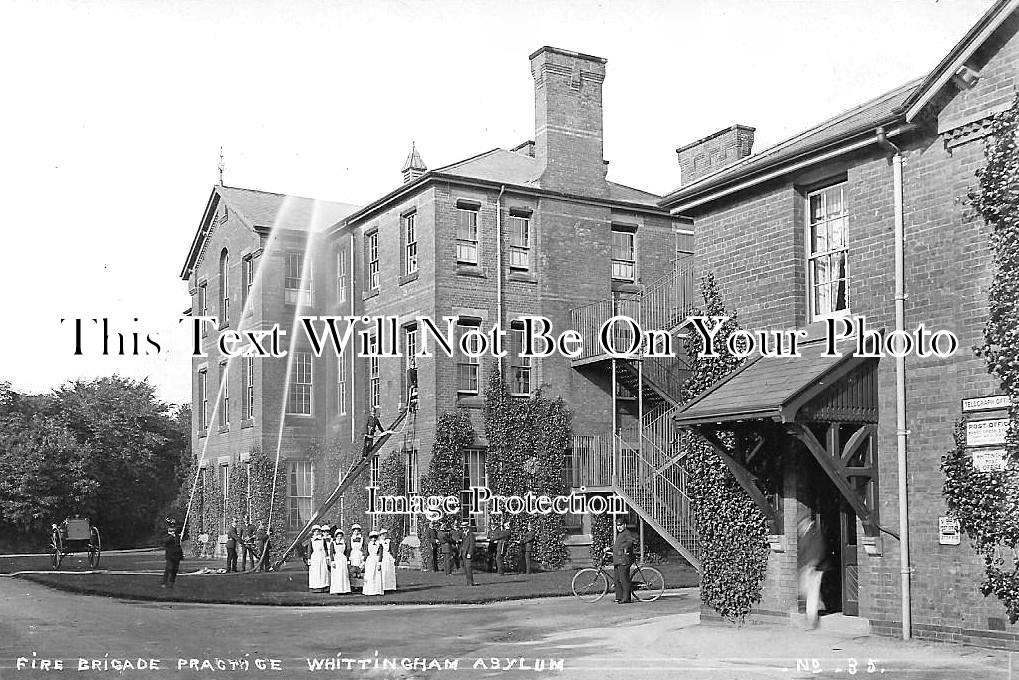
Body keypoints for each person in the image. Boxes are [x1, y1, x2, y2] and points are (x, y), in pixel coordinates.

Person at [798, 515, 826, 628]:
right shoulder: (806, 534)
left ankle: (811, 620)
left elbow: (818, 549)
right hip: (807, 567)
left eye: (801, 525)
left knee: (811, 593)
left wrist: (813, 563)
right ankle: (816, 608)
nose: (800, 528)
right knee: (806, 591)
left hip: (813, 568)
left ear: (806, 523)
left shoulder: (814, 533)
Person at [611, 519, 636, 604]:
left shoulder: (627, 533)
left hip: (624, 560)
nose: (619, 527)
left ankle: (626, 598)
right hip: (618, 560)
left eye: (621, 525)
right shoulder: (620, 534)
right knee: (616, 579)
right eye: (618, 525)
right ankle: (619, 597)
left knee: (624, 579)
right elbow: (617, 546)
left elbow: (630, 542)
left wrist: (626, 548)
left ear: (625, 525)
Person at [161, 521, 184, 589]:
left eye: (173, 529)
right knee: (168, 569)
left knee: (175, 570)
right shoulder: (167, 536)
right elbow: (165, 541)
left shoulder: (177, 536)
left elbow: (178, 546)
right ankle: (164, 582)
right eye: (171, 529)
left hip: (177, 556)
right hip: (170, 556)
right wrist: (172, 536)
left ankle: (171, 583)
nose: (173, 530)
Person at [307, 526, 330, 592]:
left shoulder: (323, 539)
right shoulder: (311, 540)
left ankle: (324, 586)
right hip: (315, 557)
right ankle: (315, 587)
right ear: (313, 532)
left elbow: (325, 549)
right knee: (315, 571)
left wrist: (327, 556)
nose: (316, 533)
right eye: (315, 531)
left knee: (323, 571)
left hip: (322, 556)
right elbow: (310, 550)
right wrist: (309, 559)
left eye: (318, 531)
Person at [329, 528, 351, 594]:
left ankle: (344, 589)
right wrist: (332, 561)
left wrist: (347, 560)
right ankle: (337, 589)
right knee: (337, 574)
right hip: (336, 559)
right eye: (338, 536)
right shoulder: (333, 543)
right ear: (336, 536)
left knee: (344, 573)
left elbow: (347, 552)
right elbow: (331, 552)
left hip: (343, 559)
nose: (339, 537)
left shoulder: (344, 543)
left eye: (340, 536)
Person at [362, 531, 384, 596]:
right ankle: (369, 590)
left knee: (376, 575)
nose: (373, 539)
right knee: (369, 575)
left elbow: (380, 554)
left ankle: (377, 590)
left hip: (376, 560)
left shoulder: (379, 545)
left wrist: (379, 563)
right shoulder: (368, 544)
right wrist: (363, 562)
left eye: (375, 537)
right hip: (369, 561)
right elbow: (366, 554)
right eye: (372, 538)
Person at [459, 520, 477, 586]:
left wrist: (470, 553)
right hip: (463, 552)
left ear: (468, 527)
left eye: (465, 527)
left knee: (468, 567)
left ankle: (470, 582)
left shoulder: (471, 534)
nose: (463, 529)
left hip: (468, 553)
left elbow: (472, 545)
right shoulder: (463, 534)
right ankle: (468, 582)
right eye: (463, 527)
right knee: (466, 568)